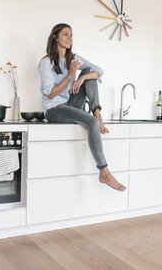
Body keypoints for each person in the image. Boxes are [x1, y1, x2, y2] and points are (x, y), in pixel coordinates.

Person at [39, 23, 126, 191]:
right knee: (92, 123)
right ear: (55, 37)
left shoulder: (74, 58)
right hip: (54, 109)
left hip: (71, 104)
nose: (70, 38)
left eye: (71, 35)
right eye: (65, 34)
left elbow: (99, 71)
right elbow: (50, 94)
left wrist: (81, 79)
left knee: (89, 73)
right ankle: (104, 172)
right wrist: (71, 75)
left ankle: (97, 113)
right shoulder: (46, 62)